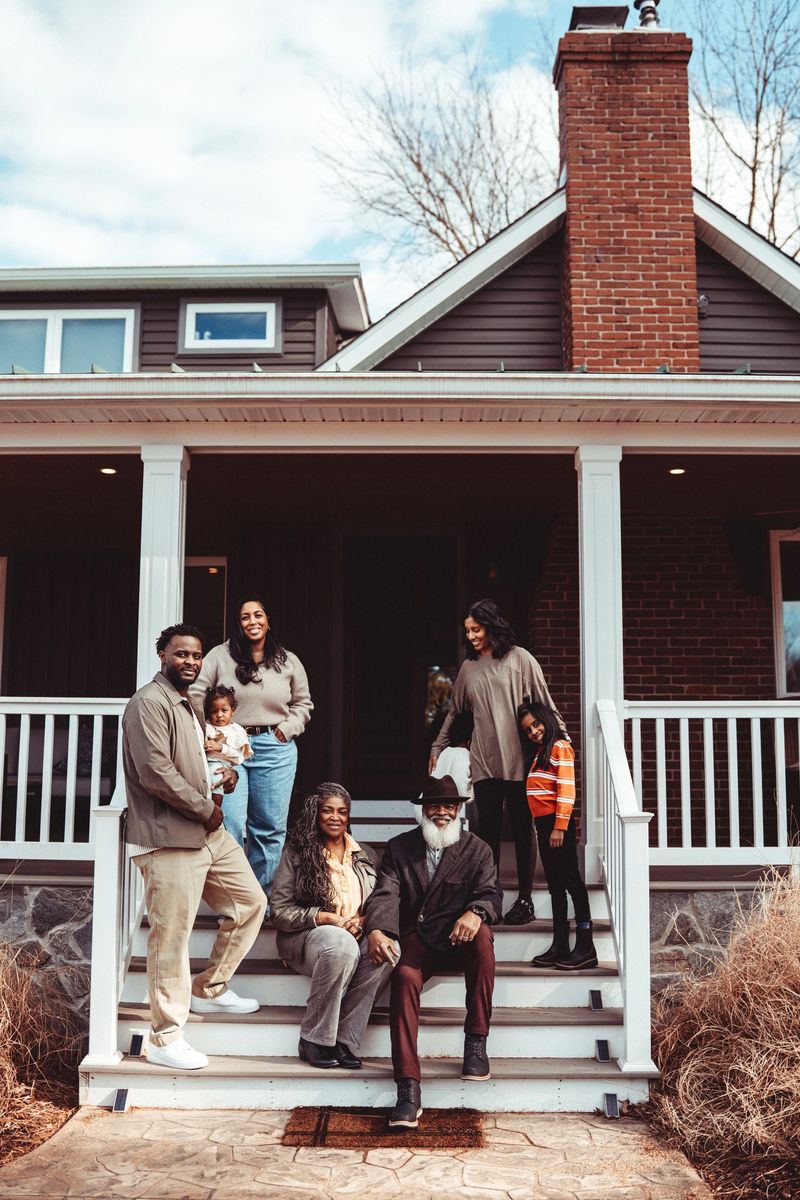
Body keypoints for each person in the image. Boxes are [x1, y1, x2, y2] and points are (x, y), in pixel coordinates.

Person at [122, 623, 266, 1071]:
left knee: (250, 903)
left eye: (196, 655)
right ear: (162, 654)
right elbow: (156, 773)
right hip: (169, 838)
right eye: (181, 653)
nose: (190, 661)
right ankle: (165, 1037)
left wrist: (223, 775)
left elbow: (197, 762)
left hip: (206, 832)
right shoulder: (149, 703)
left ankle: (211, 987)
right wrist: (206, 808)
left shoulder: (190, 705)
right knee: (172, 938)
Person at [366, 774, 502, 1130]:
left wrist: (476, 912)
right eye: (435, 806)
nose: (442, 812)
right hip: (419, 937)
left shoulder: (478, 850)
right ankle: (408, 1087)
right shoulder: (400, 848)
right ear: (423, 810)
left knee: (484, 939)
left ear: (458, 810)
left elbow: (490, 893)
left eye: (449, 806)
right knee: (405, 977)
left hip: (461, 938)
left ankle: (475, 1042)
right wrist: (378, 929)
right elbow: (386, 893)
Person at [429, 598, 566, 925]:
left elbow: (545, 704)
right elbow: (455, 712)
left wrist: (562, 742)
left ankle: (525, 900)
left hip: (521, 761)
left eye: (476, 629)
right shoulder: (469, 668)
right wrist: (438, 745)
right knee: (485, 833)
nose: (472, 636)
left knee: (522, 831)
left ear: (491, 625)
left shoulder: (521, 660)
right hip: (485, 762)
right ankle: (487, 899)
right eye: (468, 631)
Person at [190, 596, 313, 900]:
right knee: (229, 821)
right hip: (228, 747)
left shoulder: (287, 660)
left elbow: (303, 703)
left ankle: (262, 899)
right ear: (238, 624)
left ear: (268, 621)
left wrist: (285, 731)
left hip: (274, 746)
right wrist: (208, 731)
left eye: (258, 615)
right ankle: (235, 900)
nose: (252, 621)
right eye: (245, 617)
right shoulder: (220, 656)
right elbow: (195, 694)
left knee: (269, 826)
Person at [271, 782, 392, 1069]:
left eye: (342, 811)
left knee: (389, 950)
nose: (335, 817)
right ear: (316, 813)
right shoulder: (296, 853)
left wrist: (364, 920)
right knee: (342, 946)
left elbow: (381, 900)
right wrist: (324, 917)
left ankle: (344, 1040)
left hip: (356, 933)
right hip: (307, 938)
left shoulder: (365, 855)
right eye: (328, 811)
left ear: (349, 816)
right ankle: (314, 1039)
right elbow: (279, 911)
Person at [518, 700, 597, 970]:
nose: (533, 732)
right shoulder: (541, 752)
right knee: (554, 884)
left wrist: (560, 826)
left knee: (571, 880)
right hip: (543, 824)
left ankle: (586, 945)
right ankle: (560, 943)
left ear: (547, 720)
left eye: (536, 724)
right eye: (527, 730)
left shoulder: (559, 747)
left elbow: (566, 789)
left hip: (556, 824)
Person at [203, 684, 253, 803]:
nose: (219, 715)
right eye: (214, 711)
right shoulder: (205, 727)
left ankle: (216, 810)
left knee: (216, 778)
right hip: (202, 763)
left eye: (224, 710)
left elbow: (238, 755)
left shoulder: (236, 731)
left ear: (232, 711)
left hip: (221, 765)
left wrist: (220, 747)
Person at [431, 710, 474, 802]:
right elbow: (464, 796)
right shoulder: (463, 756)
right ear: (470, 742)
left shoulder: (445, 752)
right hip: (448, 813)